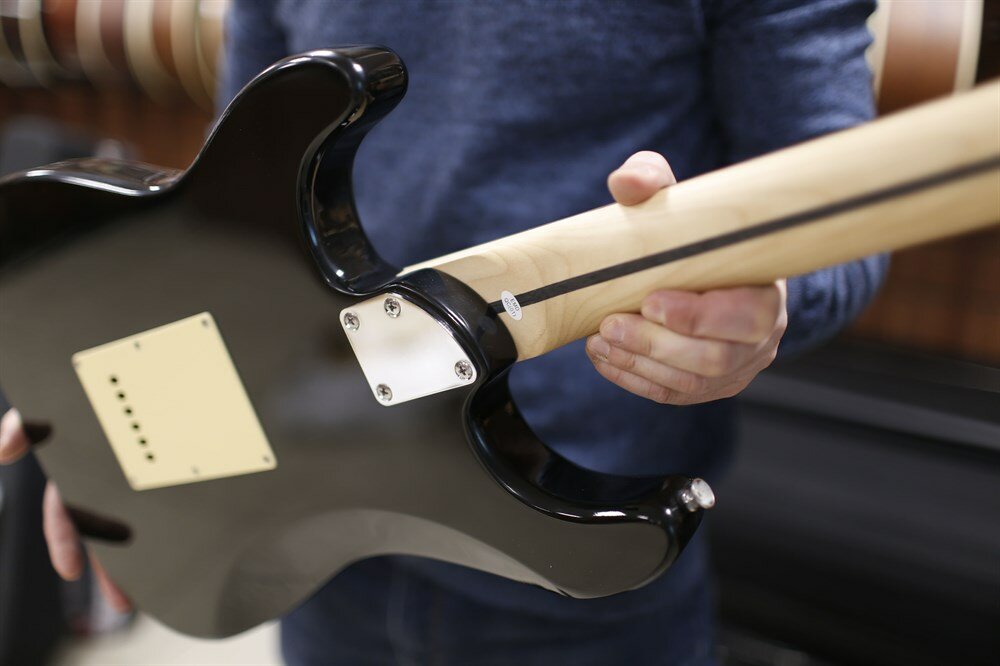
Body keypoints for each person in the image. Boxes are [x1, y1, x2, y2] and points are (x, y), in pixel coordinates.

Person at [0, 1, 888, 663]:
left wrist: (768, 303)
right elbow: (226, 218)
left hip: (572, 558)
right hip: (312, 537)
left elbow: (855, 210)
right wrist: (104, 428)